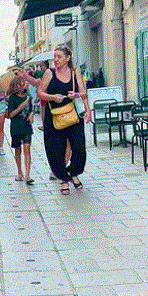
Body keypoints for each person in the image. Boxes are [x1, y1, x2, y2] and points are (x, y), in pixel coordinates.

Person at [37, 45, 91, 194]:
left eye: (59, 57)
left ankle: (73, 173)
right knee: (56, 150)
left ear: (68, 58)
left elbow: (83, 93)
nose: (56, 59)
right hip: (54, 116)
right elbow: (40, 92)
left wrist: (85, 107)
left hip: (73, 115)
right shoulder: (49, 73)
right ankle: (64, 180)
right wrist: (52, 97)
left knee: (79, 148)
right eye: (55, 56)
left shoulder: (75, 72)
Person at [7, 75, 34, 184]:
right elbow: (10, 114)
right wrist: (21, 107)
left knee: (27, 150)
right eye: (23, 82)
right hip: (16, 127)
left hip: (26, 126)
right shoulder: (12, 98)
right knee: (17, 150)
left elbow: (31, 109)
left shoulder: (28, 96)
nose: (26, 84)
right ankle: (19, 172)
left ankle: (28, 175)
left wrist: (31, 114)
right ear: (17, 85)